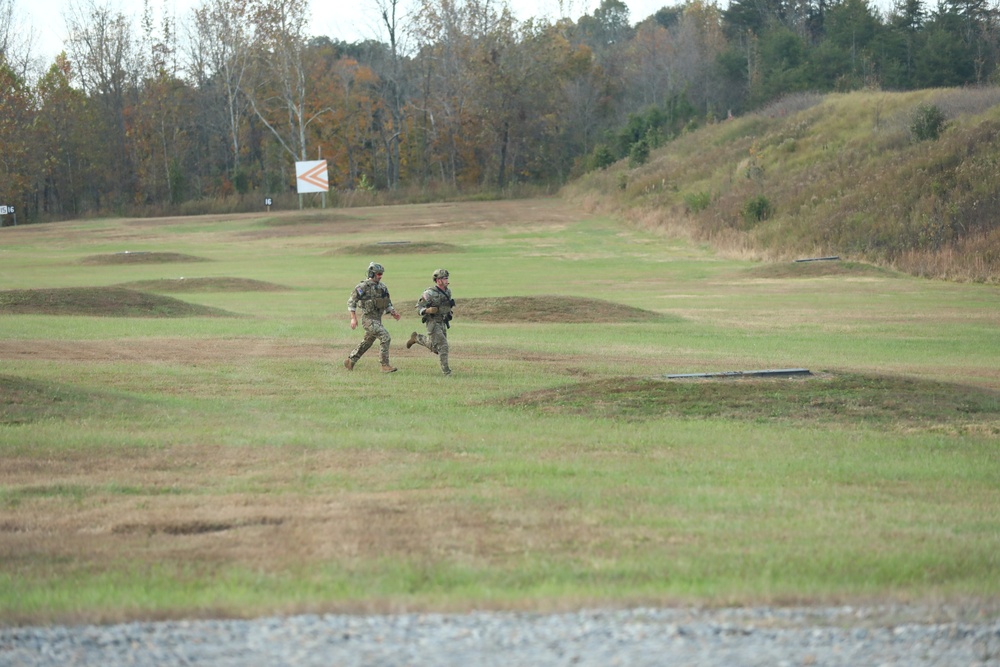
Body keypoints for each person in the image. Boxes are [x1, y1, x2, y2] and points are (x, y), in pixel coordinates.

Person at [345, 262, 401, 373]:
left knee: (367, 342)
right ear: (371, 273)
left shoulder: (382, 287)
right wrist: (353, 318)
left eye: (381, 274)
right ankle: (384, 365)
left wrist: (393, 312)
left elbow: (387, 302)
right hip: (368, 319)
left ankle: (350, 361)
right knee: (385, 337)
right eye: (378, 274)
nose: (380, 276)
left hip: (377, 320)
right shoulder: (362, 287)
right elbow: (352, 302)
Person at [406, 268, 454, 376]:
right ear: (438, 280)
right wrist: (427, 310)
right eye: (444, 278)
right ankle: (447, 372)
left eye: (447, 278)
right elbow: (418, 308)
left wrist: (449, 312)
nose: (447, 280)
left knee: (437, 349)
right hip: (432, 322)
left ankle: (416, 338)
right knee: (443, 346)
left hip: (442, 322)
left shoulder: (448, 291)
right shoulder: (429, 293)